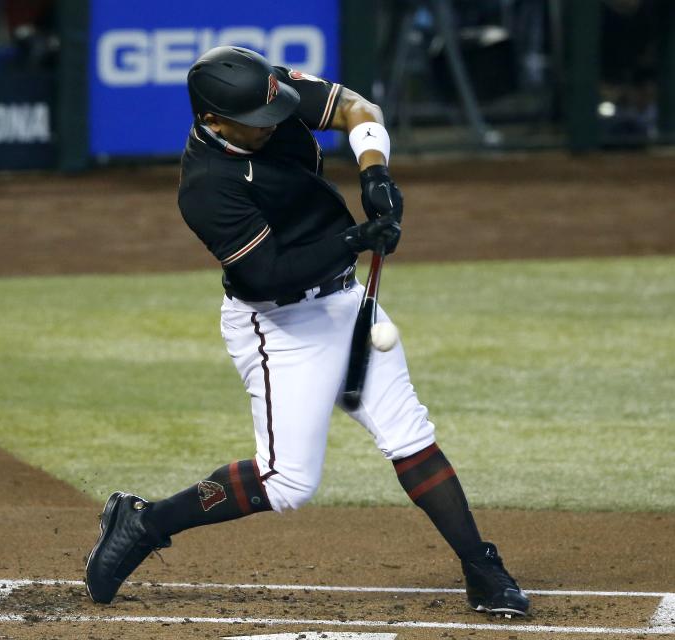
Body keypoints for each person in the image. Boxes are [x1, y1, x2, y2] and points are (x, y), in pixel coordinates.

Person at [84, 45, 530, 618]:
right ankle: (144, 522)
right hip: (279, 323)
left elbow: (357, 110)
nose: (274, 126)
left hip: (343, 298)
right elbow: (269, 274)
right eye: (258, 124)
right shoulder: (206, 186)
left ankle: (482, 569)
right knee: (288, 482)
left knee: (408, 433)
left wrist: (375, 175)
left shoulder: (268, 93)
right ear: (212, 121)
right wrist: (356, 239)